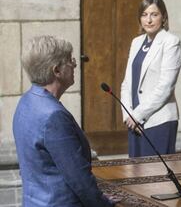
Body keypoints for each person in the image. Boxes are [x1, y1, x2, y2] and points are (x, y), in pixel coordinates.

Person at [13, 36, 115, 206]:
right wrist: (104, 204)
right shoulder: (54, 117)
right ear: (57, 71)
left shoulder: (26, 101)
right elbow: (79, 178)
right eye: (70, 60)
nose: (75, 64)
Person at [120, 0, 181, 157]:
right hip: (134, 122)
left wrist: (138, 115)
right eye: (144, 15)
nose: (148, 20)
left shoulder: (171, 42)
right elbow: (127, 83)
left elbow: (165, 87)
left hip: (158, 121)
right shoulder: (136, 42)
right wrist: (128, 115)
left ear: (163, 17)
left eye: (154, 14)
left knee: (156, 177)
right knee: (135, 175)